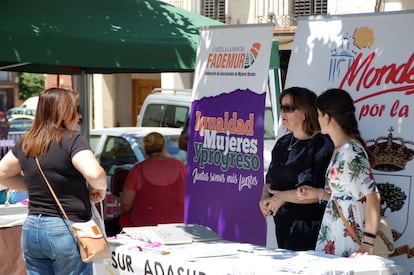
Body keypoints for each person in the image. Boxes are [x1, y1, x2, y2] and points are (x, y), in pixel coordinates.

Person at [0, 87, 107, 275]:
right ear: (64, 112)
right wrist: (100, 188)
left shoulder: (27, 141)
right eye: (76, 110)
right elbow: (95, 174)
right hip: (65, 227)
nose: (79, 116)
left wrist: (35, 189)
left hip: (32, 227)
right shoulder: (72, 140)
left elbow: (2, 174)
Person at [297, 88, 381, 257]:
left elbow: (372, 196)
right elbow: (343, 196)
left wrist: (367, 244)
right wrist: (317, 193)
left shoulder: (351, 152)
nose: (317, 119)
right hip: (335, 234)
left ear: (327, 117)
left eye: (319, 114)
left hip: (348, 239)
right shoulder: (340, 149)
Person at [259, 87, 334, 251]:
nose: (282, 112)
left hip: (309, 227)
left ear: (305, 111)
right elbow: (270, 179)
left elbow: (321, 191)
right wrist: (265, 198)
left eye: (289, 108)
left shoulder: (322, 144)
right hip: (283, 225)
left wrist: (283, 197)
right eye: (281, 107)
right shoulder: (282, 143)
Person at [119, 131, 186, 227]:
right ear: (164, 147)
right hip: (178, 225)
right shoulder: (181, 167)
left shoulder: (138, 170)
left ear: (145, 149)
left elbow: (125, 204)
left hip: (143, 227)